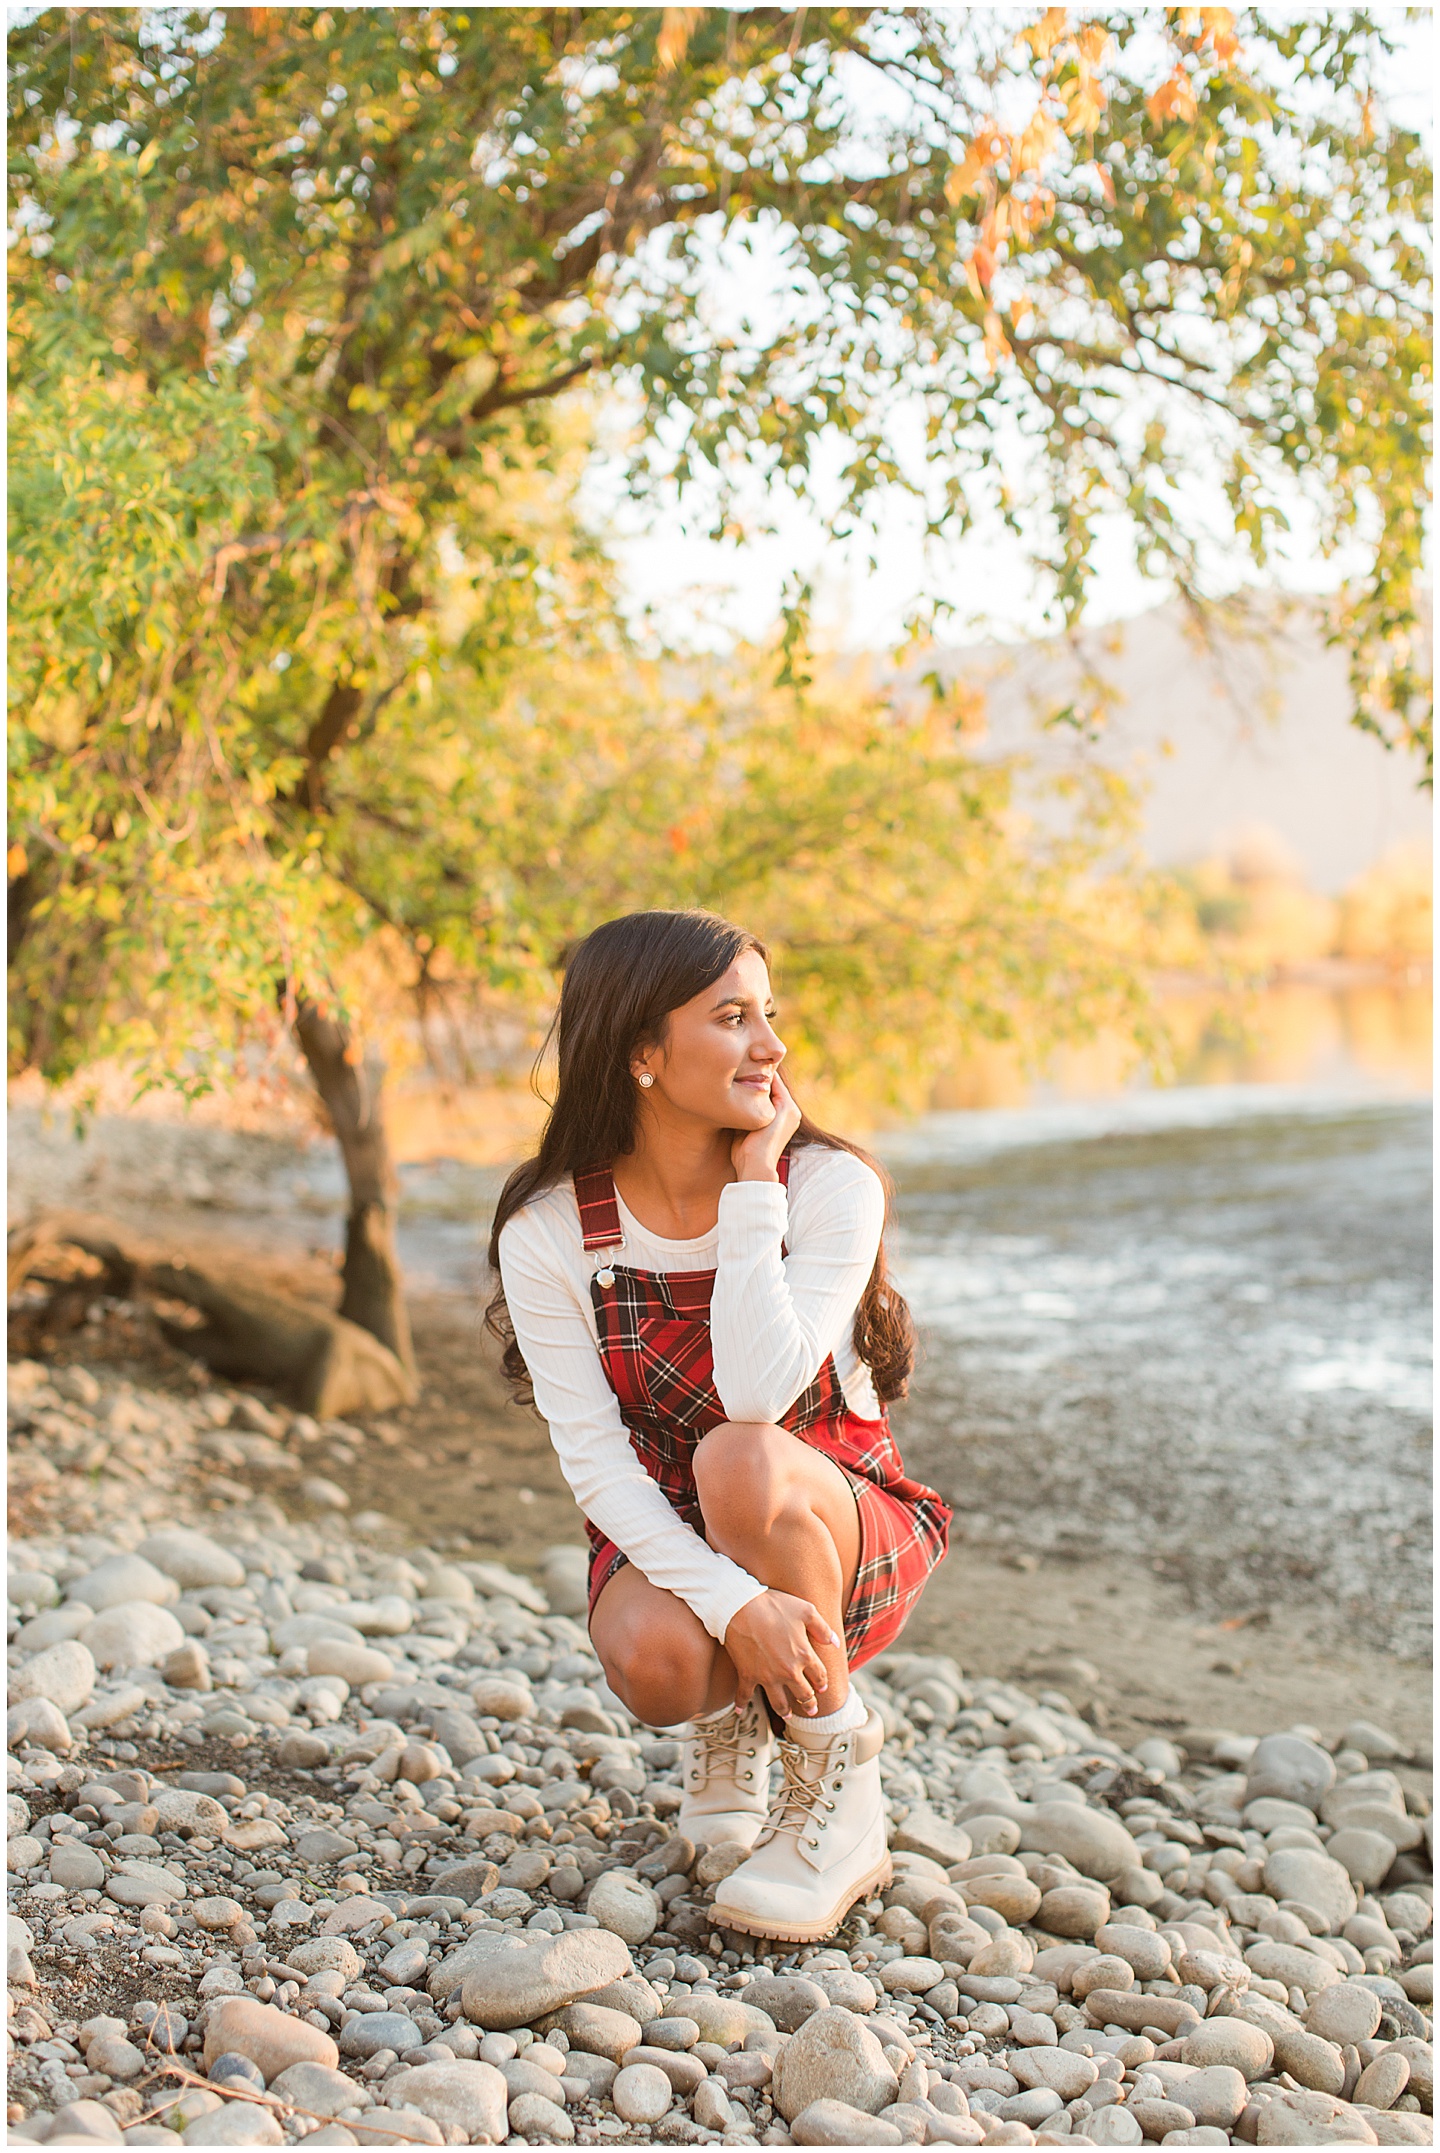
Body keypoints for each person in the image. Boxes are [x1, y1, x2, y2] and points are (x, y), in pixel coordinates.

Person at [487, 910, 951, 1943]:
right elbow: (598, 1465)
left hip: (831, 1514)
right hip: (673, 1525)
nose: (772, 1046)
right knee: (656, 1660)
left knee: (737, 1456)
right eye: (733, 1017)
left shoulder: (829, 1185)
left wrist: (754, 1188)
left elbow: (754, 1396)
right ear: (640, 1051)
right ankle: (731, 1715)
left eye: (769, 1014)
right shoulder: (553, 1228)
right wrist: (736, 1606)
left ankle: (837, 1783)